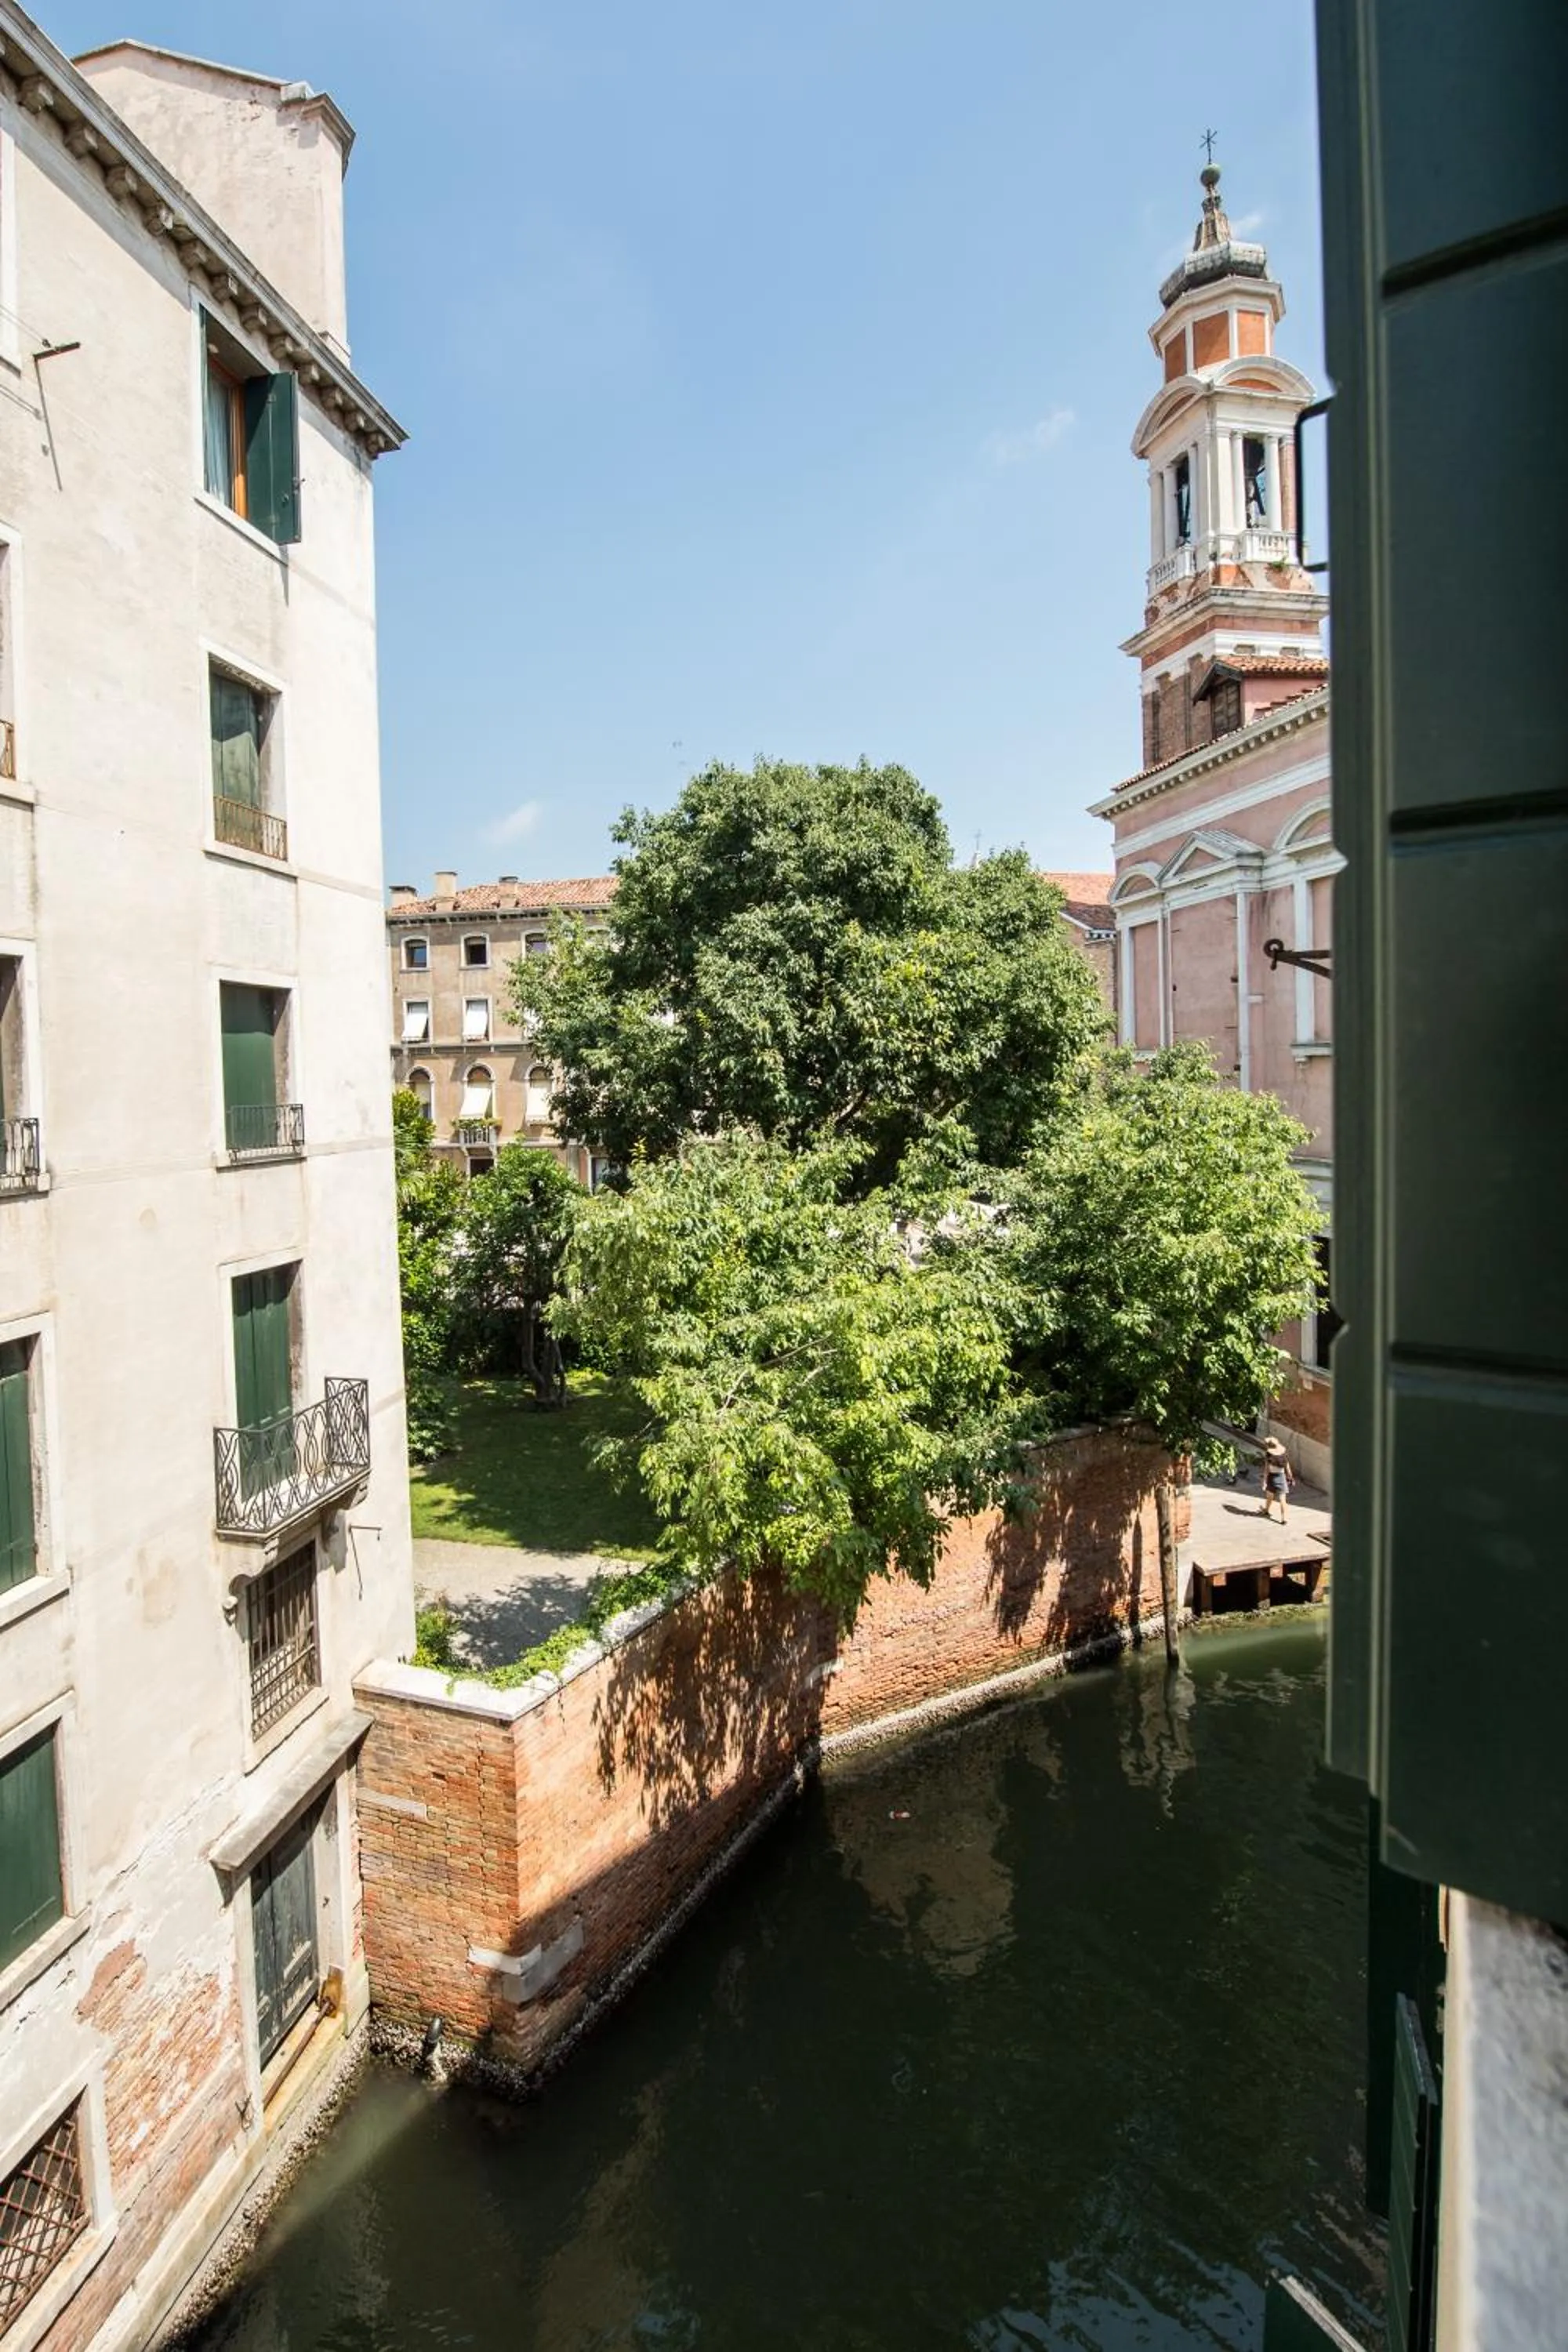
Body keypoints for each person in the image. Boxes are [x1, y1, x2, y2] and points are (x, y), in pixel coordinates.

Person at [1260, 1438, 1294, 1524]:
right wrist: (1290, 1477)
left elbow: (1266, 1469)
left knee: (1270, 1496)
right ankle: (1284, 1518)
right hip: (1281, 1476)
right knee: (1283, 1499)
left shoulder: (1269, 1455)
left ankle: (1266, 1510)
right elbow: (1288, 1467)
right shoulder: (1283, 1455)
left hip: (1272, 1477)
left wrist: (1264, 1481)